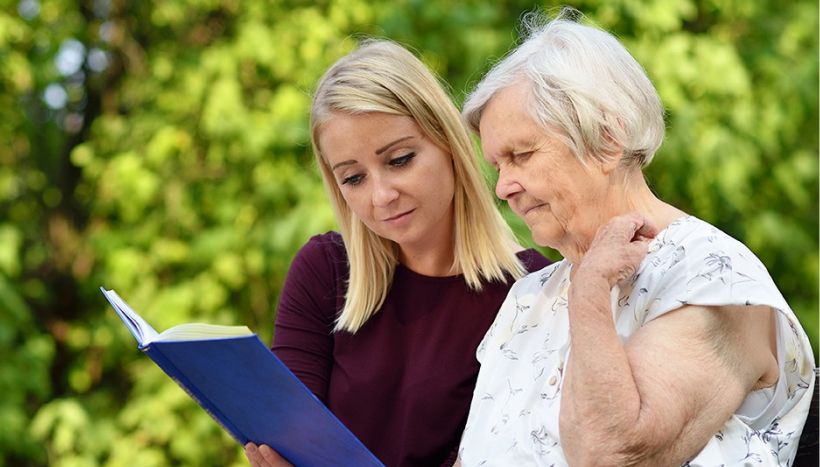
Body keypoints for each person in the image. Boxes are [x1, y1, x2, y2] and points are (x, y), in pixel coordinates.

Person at [455, 12, 816, 466]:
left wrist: (589, 295)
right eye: (497, 166)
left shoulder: (712, 274)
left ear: (607, 141)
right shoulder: (529, 297)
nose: (503, 187)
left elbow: (612, 453)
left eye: (521, 156)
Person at [244, 39, 551, 467]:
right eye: (353, 178)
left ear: (448, 143)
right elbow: (288, 442)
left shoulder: (535, 294)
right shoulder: (324, 271)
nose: (382, 196)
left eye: (400, 160)